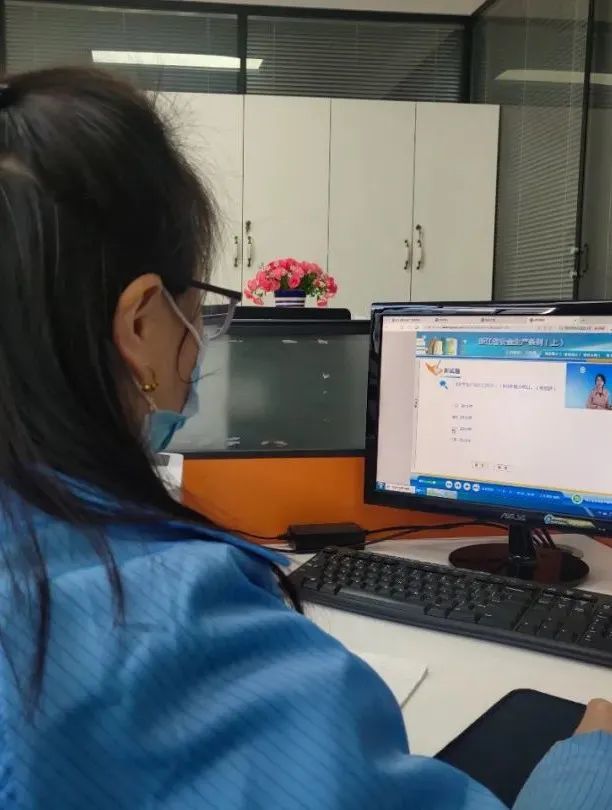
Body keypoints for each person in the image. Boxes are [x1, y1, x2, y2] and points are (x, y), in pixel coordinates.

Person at [0, 67, 611, 810]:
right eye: (202, 308)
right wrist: (593, 757)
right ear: (141, 323)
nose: (203, 341)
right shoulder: (159, 618)